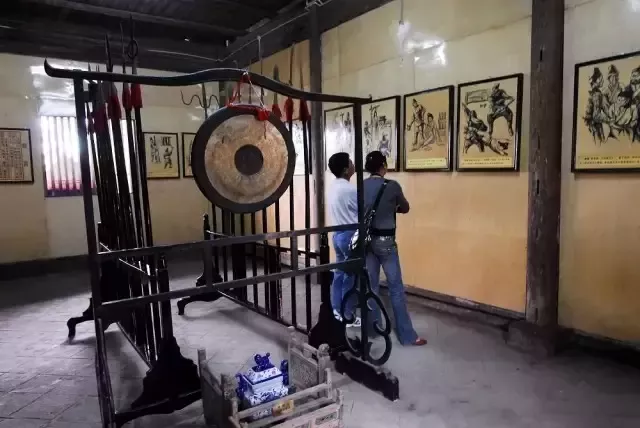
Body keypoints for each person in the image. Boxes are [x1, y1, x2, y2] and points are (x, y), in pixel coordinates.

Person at [363, 151, 426, 346]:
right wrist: (392, 208)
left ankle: (373, 330)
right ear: (383, 166)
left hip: (367, 241)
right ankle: (407, 335)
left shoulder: (361, 185)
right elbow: (405, 207)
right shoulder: (392, 186)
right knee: (396, 289)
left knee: (371, 286)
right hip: (386, 242)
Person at [327, 152, 360, 327]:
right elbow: (363, 210)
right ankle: (348, 315)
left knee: (339, 272)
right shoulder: (350, 190)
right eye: (351, 162)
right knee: (350, 276)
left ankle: (336, 309)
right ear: (346, 169)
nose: (354, 164)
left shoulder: (333, 186)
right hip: (349, 235)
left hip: (337, 233)